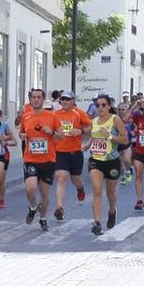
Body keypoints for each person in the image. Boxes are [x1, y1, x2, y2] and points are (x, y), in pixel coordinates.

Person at [87, 94, 129, 235]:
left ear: (109, 106)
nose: (100, 108)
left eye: (103, 105)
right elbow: (94, 138)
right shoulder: (94, 122)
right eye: (97, 105)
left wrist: (110, 136)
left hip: (111, 161)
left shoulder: (115, 120)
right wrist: (87, 146)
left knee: (110, 192)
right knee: (97, 190)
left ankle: (112, 210)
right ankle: (97, 223)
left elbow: (124, 140)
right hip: (95, 160)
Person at [18, 88, 58, 231]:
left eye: (38, 97)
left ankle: (43, 218)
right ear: (31, 99)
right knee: (30, 188)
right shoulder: (26, 116)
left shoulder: (52, 116)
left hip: (48, 160)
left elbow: (61, 136)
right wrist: (22, 136)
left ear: (43, 99)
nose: (36, 99)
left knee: (45, 193)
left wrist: (51, 132)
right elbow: (21, 132)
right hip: (31, 158)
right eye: (33, 97)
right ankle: (33, 207)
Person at [51, 90, 91, 219]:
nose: (65, 102)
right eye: (63, 99)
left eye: (68, 99)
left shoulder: (79, 113)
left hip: (75, 152)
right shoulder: (55, 114)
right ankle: (59, 207)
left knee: (76, 180)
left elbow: (90, 126)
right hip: (59, 152)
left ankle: (80, 188)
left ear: (73, 101)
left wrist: (80, 131)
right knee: (61, 178)